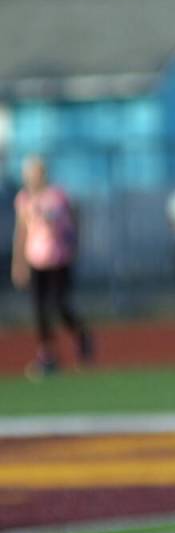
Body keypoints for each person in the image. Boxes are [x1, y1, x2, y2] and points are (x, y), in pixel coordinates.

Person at [10, 155, 93, 378]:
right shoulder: (24, 199)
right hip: (36, 260)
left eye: (37, 173)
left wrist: (73, 246)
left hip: (58, 259)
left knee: (59, 305)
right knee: (39, 311)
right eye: (29, 174)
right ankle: (48, 355)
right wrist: (18, 263)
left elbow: (72, 223)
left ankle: (81, 335)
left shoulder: (57, 197)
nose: (32, 178)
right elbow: (22, 232)